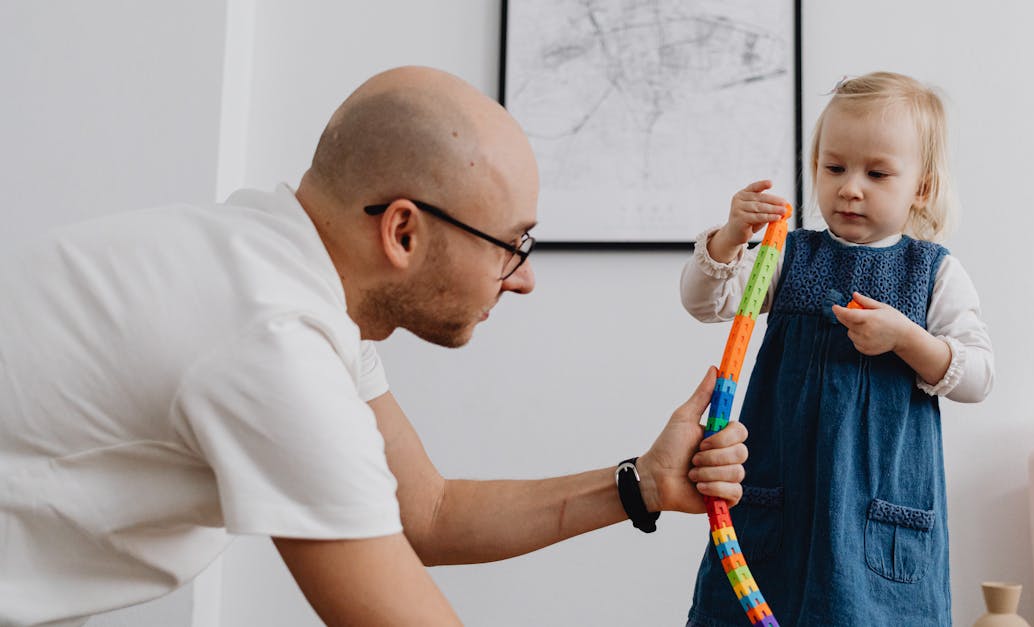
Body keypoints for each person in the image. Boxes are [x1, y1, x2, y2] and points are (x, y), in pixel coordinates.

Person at [0, 66, 749, 626]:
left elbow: (425, 511)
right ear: (402, 231)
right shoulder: (271, 339)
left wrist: (643, 483)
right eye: (512, 245)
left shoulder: (278, 268)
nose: (522, 282)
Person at [679, 72, 995, 626]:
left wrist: (908, 339)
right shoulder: (789, 255)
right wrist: (729, 237)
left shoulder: (933, 273)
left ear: (921, 187)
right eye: (834, 168)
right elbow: (706, 301)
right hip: (781, 497)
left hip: (878, 512)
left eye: (876, 173)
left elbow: (979, 377)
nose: (850, 187)